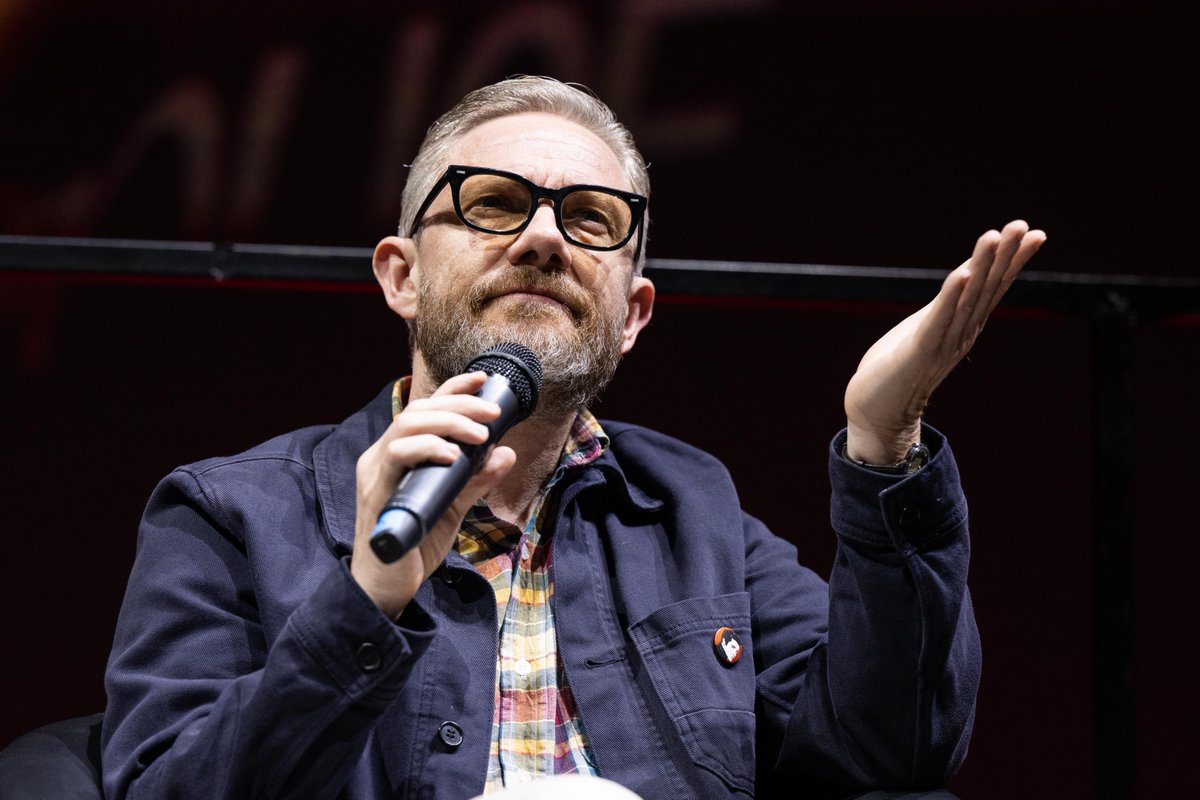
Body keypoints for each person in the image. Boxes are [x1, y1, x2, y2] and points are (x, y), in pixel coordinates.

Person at [101, 76, 1045, 800]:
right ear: (401, 277)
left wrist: (885, 445)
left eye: (590, 218)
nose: (545, 239)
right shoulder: (225, 511)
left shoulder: (693, 507)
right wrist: (367, 601)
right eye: (495, 204)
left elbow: (894, 752)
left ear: (631, 314)